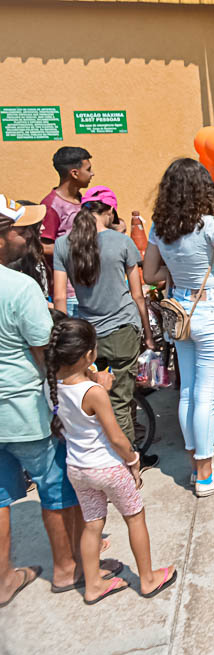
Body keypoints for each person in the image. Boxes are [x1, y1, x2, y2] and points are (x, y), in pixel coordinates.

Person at [0, 195, 122, 607]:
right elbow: (48, 356)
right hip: (24, 411)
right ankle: (68, 568)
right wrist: (92, 382)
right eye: (22, 230)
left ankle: (4, 579)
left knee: (0, 498)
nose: (32, 235)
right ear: (1, 239)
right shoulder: (18, 288)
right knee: (57, 492)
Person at [143, 158, 214, 497]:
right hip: (210, 310)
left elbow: (149, 275)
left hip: (179, 310)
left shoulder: (159, 226)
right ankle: (206, 475)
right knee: (206, 395)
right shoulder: (209, 225)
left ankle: (198, 465)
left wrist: (175, 276)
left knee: (189, 391)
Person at [47, 317, 176, 603]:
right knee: (135, 517)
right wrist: (133, 460)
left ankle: (92, 583)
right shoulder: (94, 394)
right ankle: (148, 578)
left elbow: (77, 395)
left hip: (78, 468)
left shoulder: (54, 386)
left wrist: (93, 380)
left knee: (93, 523)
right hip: (108, 467)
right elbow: (116, 437)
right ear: (88, 355)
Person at [52, 186, 156, 455]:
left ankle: (108, 454)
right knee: (121, 400)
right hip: (123, 331)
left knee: (96, 395)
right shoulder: (122, 242)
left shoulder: (64, 244)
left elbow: (60, 298)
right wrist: (147, 333)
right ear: (109, 211)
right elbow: (137, 295)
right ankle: (130, 461)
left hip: (88, 335)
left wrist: (64, 335)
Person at [40, 147, 95, 310]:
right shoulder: (51, 206)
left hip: (91, 287)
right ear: (74, 173)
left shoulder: (85, 201)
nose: (92, 174)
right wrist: (76, 248)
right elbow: (42, 247)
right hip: (69, 294)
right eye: (88, 169)